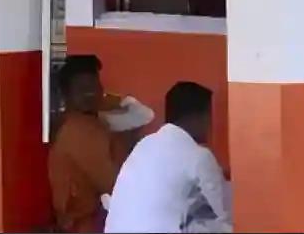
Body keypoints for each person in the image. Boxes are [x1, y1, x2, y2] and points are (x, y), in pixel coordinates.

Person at [106, 81, 232, 234]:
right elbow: (227, 212)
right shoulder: (198, 155)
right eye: (208, 117)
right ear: (197, 118)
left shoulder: (145, 144)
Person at [49, 55, 128, 233]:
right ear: (66, 94)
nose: (90, 93)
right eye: (82, 89)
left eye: (94, 86)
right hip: (85, 224)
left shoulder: (89, 121)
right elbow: (116, 184)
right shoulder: (79, 132)